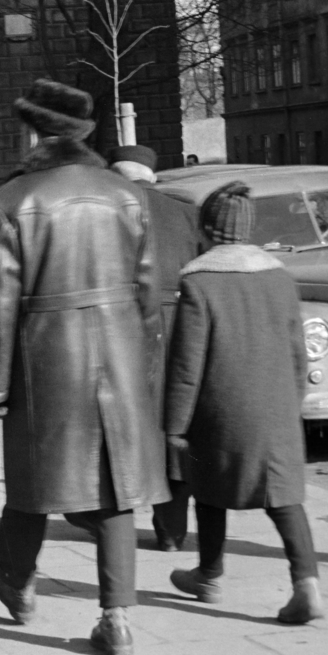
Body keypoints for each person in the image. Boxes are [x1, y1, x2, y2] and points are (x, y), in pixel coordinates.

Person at [0, 81, 167, 655]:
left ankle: (17, 585)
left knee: (31, 485)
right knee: (113, 490)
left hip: (45, 356)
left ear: (33, 131)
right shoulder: (125, 195)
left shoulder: (10, 201)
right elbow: (147, 292)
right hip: (119, 352)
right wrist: (145, 368)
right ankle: (116, 615)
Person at [164, 182, 326, 623]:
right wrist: (293, 402)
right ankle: (305, 580)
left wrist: (175, 424)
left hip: (221, 409)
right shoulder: (278, 277)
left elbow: (186, 364)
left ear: (207, 229)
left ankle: (210, 574)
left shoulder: (199, 282)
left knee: (210, 490)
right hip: (276, 407)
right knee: (285, 499)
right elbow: (298, 352)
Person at [108, 144, 205, 551]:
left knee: (123, 424)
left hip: (122, 325)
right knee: (174, 424)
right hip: (177, 326)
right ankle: (171, 530)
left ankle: (112, 524)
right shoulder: (186, 211)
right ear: (152, 175)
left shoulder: (105, 208)